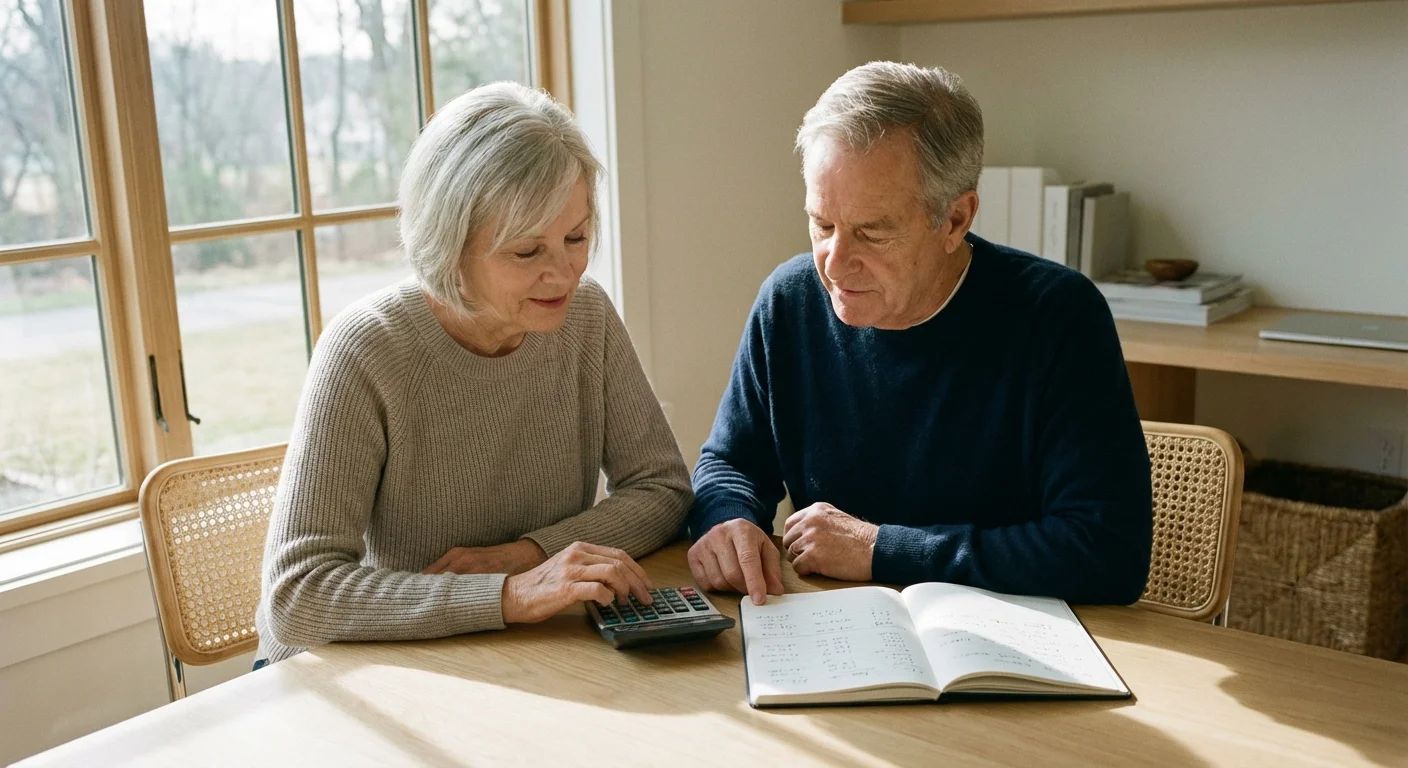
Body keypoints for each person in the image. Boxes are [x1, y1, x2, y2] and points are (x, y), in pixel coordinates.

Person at [253, 82, 691, 666]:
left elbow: (662, 489)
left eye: (576, 236)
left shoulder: (588, 318)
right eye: (526, 252)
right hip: (339, 679)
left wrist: (528, 554)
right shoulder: (365, 349)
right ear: (449, 248)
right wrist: (506, 595)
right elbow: (297, 595)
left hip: (499, 652)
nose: (563, 272)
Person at [687, 62, 1152, 607]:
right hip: (844, 635)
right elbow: (729, 463)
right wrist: (727, 519)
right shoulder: (789, 302)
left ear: (955, 220)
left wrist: (883, 549)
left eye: (872, 232)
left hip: (1018, 647)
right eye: (822, 225)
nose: (834, 264)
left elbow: (1109, 552)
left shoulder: (1058, 317)